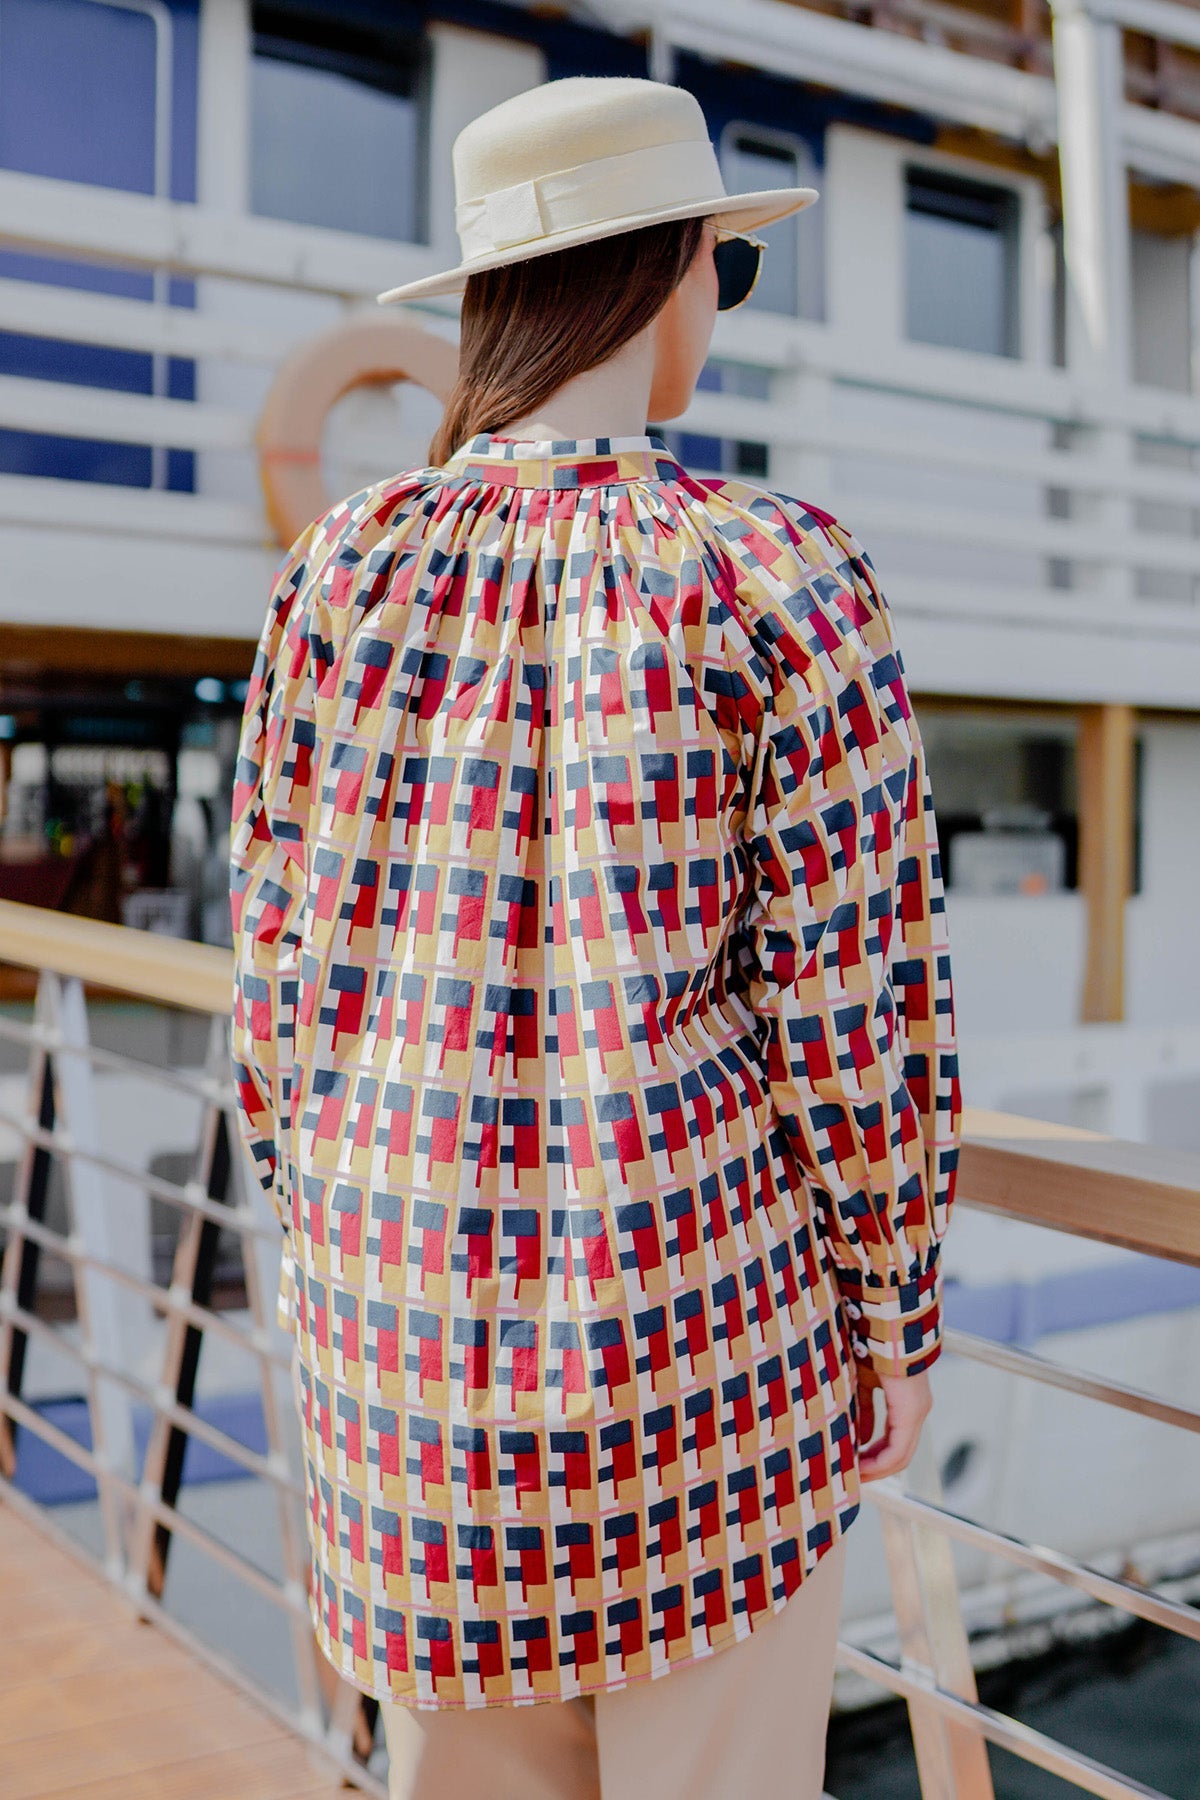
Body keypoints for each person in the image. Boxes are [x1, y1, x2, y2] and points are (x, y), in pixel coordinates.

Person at [231, 74, 960, 1800]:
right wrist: (893, 1324)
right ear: (666, 273)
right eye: (727, 265)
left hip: (406, 1384)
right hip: (703, 1382)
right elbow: (857, 1008)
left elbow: (276, 995)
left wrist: (353, 1268)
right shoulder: (775, 574)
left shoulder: (340, 571)